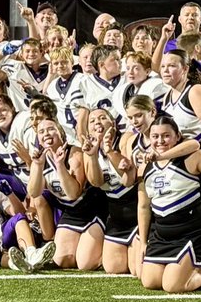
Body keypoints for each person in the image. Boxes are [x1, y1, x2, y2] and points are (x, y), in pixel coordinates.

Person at [136, 117, 201, 293]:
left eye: (166, 136)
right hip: (163, 233)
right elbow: (143, 207)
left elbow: (195, 144)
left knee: (173, 286)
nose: (160, 141)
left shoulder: (191, 158)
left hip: (193, 230)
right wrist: (142, 242)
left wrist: (162, 156)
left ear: (177, 136)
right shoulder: (145, 167)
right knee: (150, 281)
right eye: (155, 136)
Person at [27, 118, 105, 271]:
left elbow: (74, 193)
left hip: (92, 210)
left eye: (51, 129)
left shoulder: (75, 154)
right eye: (41, 132)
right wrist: (37, 165)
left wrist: (60, 165)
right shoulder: (41, 159)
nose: (46, 134)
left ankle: (105, 251)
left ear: (61, 133)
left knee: (85, 264)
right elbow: (34, 192)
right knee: (63, 260)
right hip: (71, 213)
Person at [81, 109, 139, 275]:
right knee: (114, 268)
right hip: (116, 215)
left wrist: (109, 151)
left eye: (102, 118)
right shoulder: (89, 146)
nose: (97, 122)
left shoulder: (125, 138)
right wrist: (92, 156)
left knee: (136, 271)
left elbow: (130, 177)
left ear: (113, 123)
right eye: (92, 121)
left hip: (136, 209)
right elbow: (96, 182)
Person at [160, 49, 201, 152]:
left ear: (185, 69)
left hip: (198, 153)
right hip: (178, 154)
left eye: (171, 66)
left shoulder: (196, 92)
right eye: (163, 66)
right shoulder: (168, 95)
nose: (165, 70)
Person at [159, 2, 201, 71]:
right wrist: (163, 38)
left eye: (195, 15)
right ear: (180, 19)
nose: (190, 17)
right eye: (186, 15)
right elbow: (157, 69)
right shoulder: (167, 46)